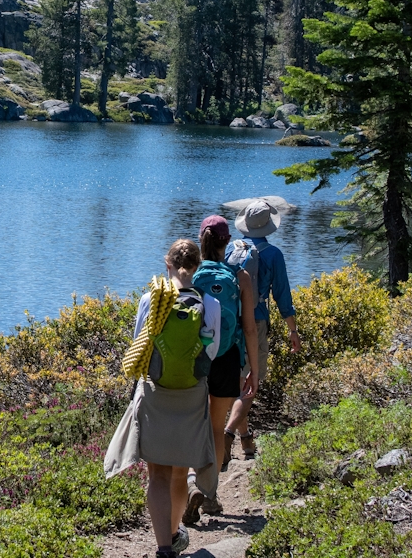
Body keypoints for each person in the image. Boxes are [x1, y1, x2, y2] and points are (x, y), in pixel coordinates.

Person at [104, 239, 220, 558]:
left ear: (166, 264)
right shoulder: (210, 304)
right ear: (198, 267)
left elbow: (140, 344)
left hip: (155, 393)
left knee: (158, 475)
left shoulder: (149, 301)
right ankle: (174, 530)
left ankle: (164, 548)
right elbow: (212, 352)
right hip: (193, 396)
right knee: (180, 471)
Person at [182, 215, 259, 524]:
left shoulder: (190, 273)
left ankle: (189, 482)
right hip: (227, 358)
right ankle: (209, 493)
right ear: (228, 242)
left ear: (201, 239)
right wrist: (253, 367)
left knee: (194, 424)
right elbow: (250, 329)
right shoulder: (240, 277)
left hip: (197, 358)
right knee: (216, 427)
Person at [223, 198, 300, 461]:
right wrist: (293, 331)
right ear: (268, 226)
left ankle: (246, 442)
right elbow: (282, 296)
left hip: (231, 322)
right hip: (256, 322)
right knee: (251, 384)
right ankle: (229, 431)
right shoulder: (273, 255)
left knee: (238, 382)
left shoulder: (231, 250)